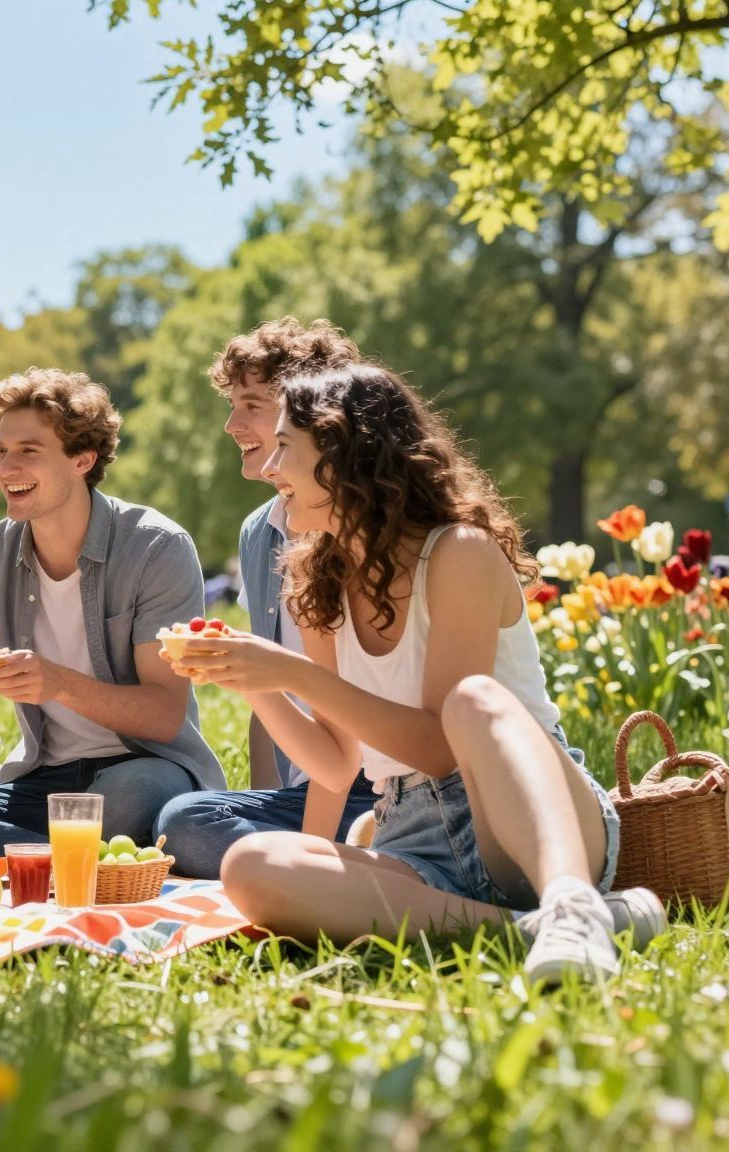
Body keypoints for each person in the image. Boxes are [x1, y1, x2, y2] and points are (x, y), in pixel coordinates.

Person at [162, 362, 663, 982]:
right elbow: (335, 762)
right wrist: (254, 682)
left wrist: (290, 670)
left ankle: (569, 899)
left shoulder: (458, 553)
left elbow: (438, 747)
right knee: (251, 864)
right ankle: (532, 930)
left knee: (474, 701)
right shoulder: (317, 580)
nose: (268, 469)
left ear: (344, 453)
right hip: (412, 835)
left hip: (529, 817)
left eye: (285, 447)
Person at [0, 367, 223, 852]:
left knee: (126, 799)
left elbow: (166, 715)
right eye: (1, 451)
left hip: (144, 767)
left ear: (82, 458)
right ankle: (69, 860)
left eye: (28, 452)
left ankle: (31, 858)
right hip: (45, 781)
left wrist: (57, 683)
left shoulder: (156, 547)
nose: (5, 469)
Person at [156, 319, 380, 876]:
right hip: (313, 787)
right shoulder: (262, 533)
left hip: (380, 784)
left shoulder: (368, 531)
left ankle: (349, 860)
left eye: (252, 405)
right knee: (180, 821)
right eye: (232, 405)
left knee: (185, 826)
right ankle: (325, 862)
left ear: (306, 411)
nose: (232, 424)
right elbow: (270, 704)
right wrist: (264, 804)